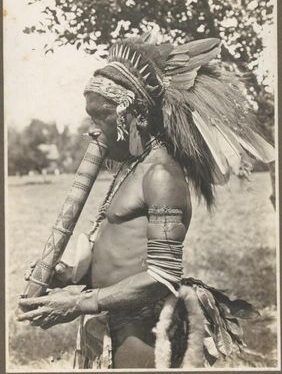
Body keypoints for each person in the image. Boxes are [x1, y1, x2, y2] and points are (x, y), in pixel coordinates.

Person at [18, 29, 274, 369]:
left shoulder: (161, 176)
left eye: (99, 117)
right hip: (113, 322)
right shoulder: (131, 169)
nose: (91, 130)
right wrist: (68, 276)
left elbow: (161, 276)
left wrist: (78, 304)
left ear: (130, 118)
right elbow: (124, 254)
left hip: (143, 333)